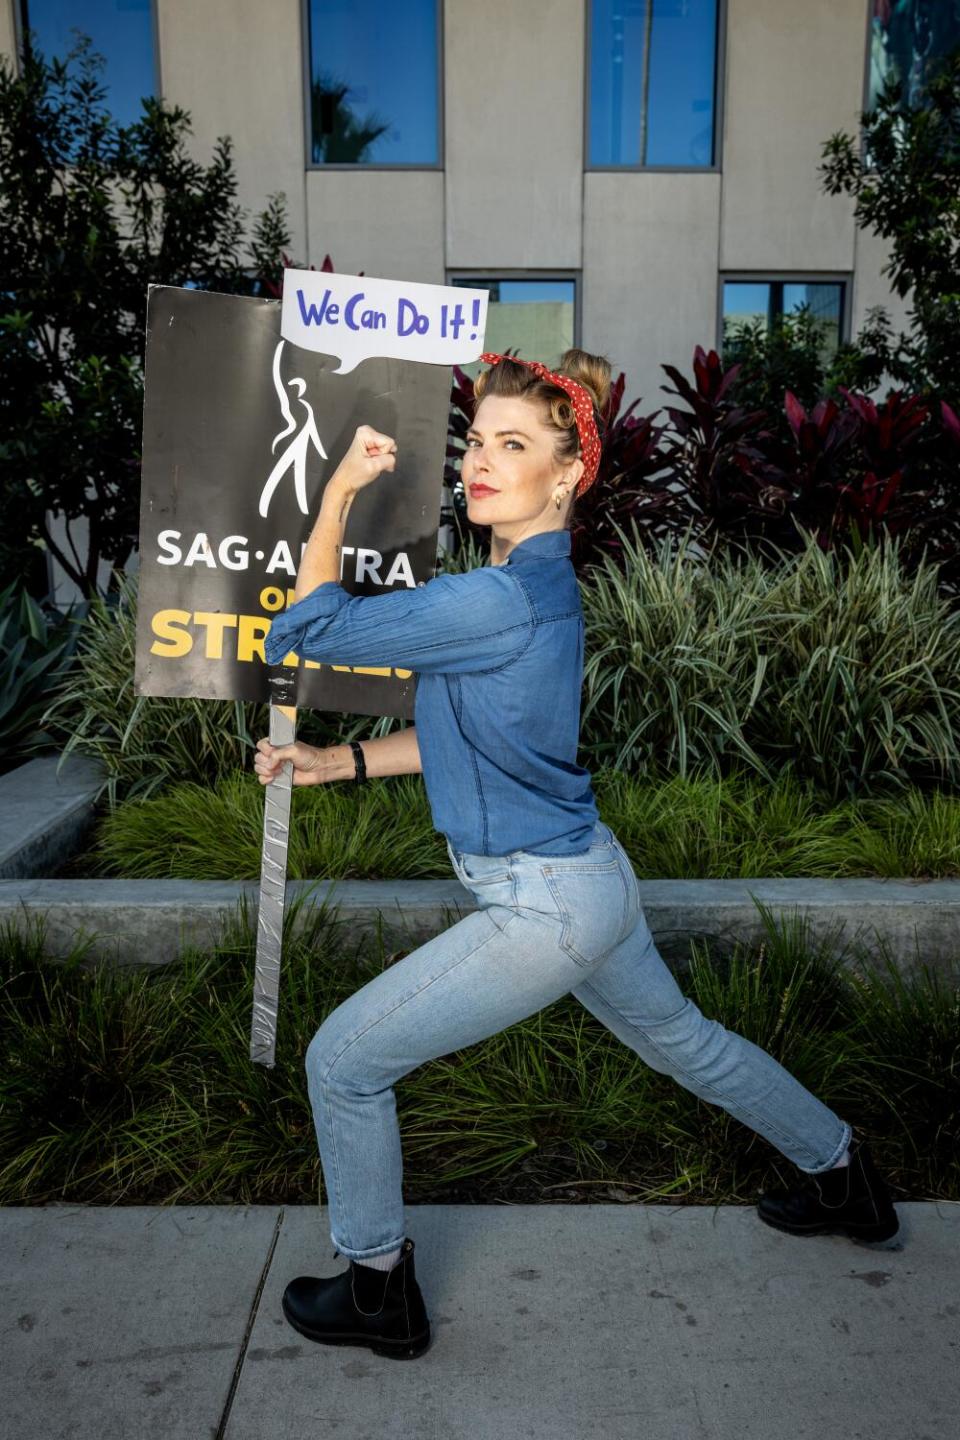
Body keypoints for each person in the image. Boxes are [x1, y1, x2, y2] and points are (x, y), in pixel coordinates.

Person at [254, 349, 900, 1362]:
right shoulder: (524, 588)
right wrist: (332, 765)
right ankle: (843, 1174)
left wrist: (337, 492)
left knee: (340, 1062)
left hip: (544, 906)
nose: (479, 461)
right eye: (476, 440)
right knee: (682, 1039)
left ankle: (379, 1289)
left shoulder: (496, 600)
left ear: (567, 475)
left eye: (512, 445)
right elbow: (463, 736)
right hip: (587, 877)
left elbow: (307, 627)